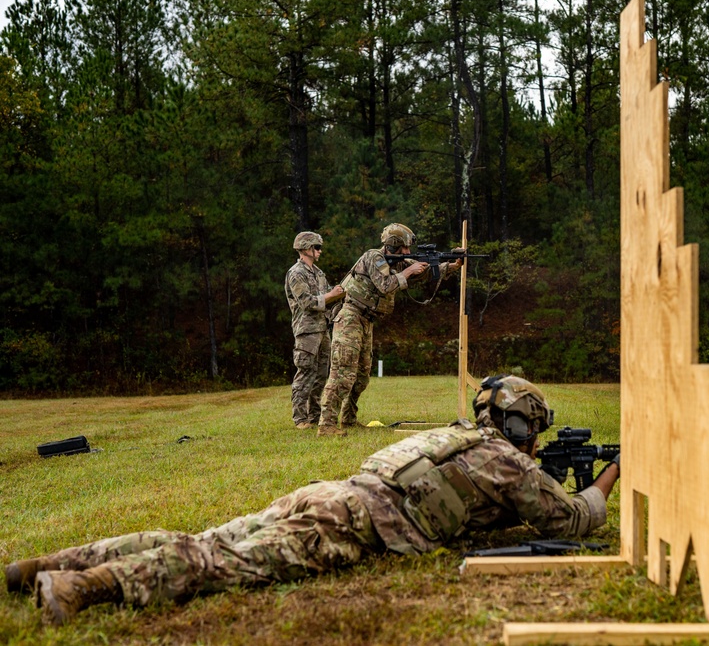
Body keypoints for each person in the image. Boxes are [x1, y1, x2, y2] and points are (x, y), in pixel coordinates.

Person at [6, 376, 621, 627]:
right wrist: (611, 474)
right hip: (354, 524)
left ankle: (46, 563)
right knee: (218, 565)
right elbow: (575, 518)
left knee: (206, 540)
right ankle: (81, 588)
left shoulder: (454, 434)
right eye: (531, 432)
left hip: (328, 493)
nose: (532, 442)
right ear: (520, 428)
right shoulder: (510, 463)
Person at [317, 223, 462, 436]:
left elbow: (424, 273)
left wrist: (452, 264)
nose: (407, 252)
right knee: (343, 371)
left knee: (362, 375)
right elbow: (385, 285)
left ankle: (348, 419)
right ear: (392, 244)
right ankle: (327, 425)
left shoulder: (398, 262)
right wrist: (410, 270)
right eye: (403, 247)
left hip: (366, 320)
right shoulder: (373, 257)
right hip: (350, 316)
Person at [284, 231, 344, 429]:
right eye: (317, 247)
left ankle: (314, 416)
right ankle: (300, 419)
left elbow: (329, 298)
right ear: (306, 249)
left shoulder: (318, 273)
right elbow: (306, 303)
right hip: (306, 331)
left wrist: (338, 295)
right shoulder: (296, 273)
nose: (320, 251)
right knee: (305, 373)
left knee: (321, 375)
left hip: (322, 329)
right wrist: (331, 295)